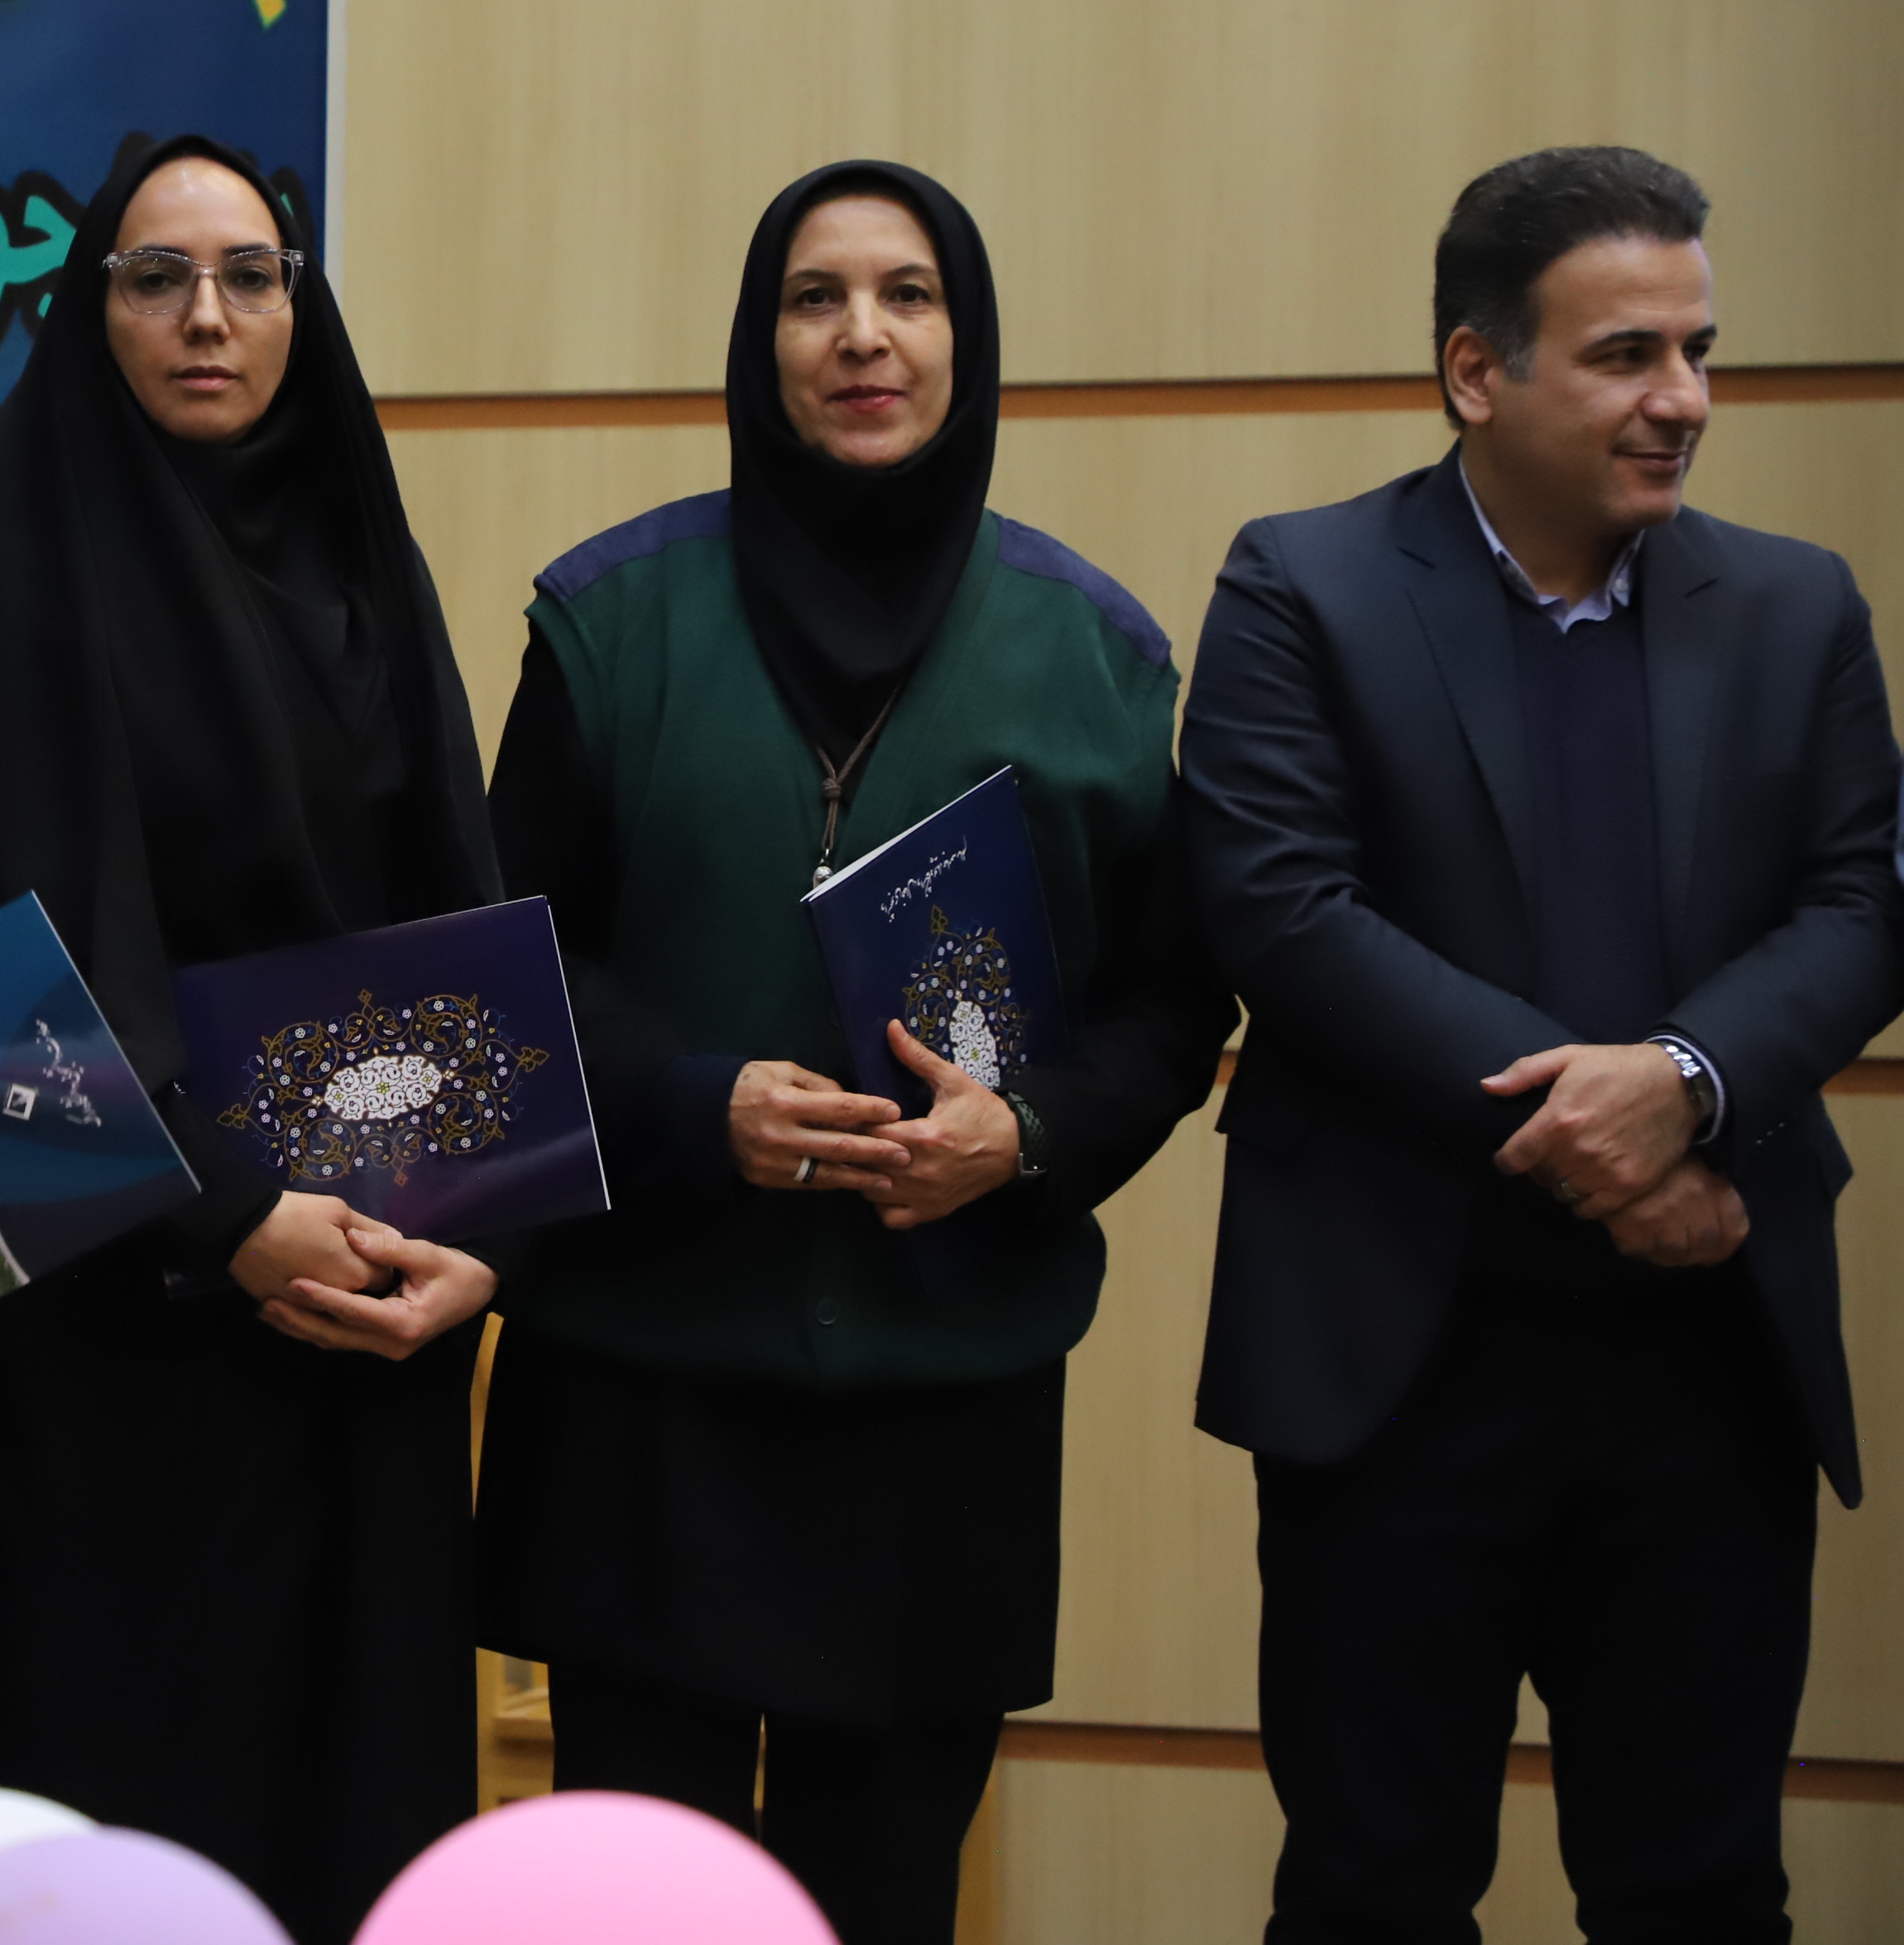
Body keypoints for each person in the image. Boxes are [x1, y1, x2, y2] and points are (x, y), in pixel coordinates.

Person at [475, 160, 1232, 1945]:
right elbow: (506, 959)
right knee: (633, 1914)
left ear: (969, 339)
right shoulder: (611, 620)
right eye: (814, 299)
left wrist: (1023, 1135)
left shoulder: (1099, 654)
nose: (863, 336)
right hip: (645, 1389)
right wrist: (693, 1104)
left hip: (938, 1413)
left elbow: (1173, 1001)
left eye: (910, 295)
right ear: (759, 344)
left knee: (882, 1898)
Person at [1180, 146, 1904, 1943]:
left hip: (1706, 1372)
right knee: (1372, 1889)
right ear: (1474, 371)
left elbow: (1862, 905)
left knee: (1701, 1893)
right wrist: (1606, 1145)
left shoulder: (1798, 606)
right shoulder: (1303, 586)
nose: (1684, 400)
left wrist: (1684, 1085)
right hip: (1395, 1362)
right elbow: (1282, 910)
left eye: (1698, 351)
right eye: (1626, 355)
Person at [0, 135, 507, 1944]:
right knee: (124, 1833)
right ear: (94, 311)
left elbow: (454, 921)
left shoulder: (362, 561)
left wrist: (483, 1242)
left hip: (359, 1321)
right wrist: (226, 1214)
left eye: (250, 275)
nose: (207, 316)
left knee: (343, 1827)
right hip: (100, 1357)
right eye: (155, 278)